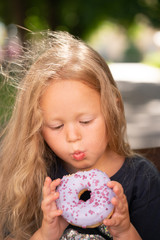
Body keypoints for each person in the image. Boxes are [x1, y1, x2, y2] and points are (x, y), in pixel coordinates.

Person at [0, 30, 159, 240]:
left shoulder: (141, 180)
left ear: (112, 108)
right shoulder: (36, 177)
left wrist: (124, 231)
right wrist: (47, 233)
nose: (73, 136)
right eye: (56, 126)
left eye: (85, 122)